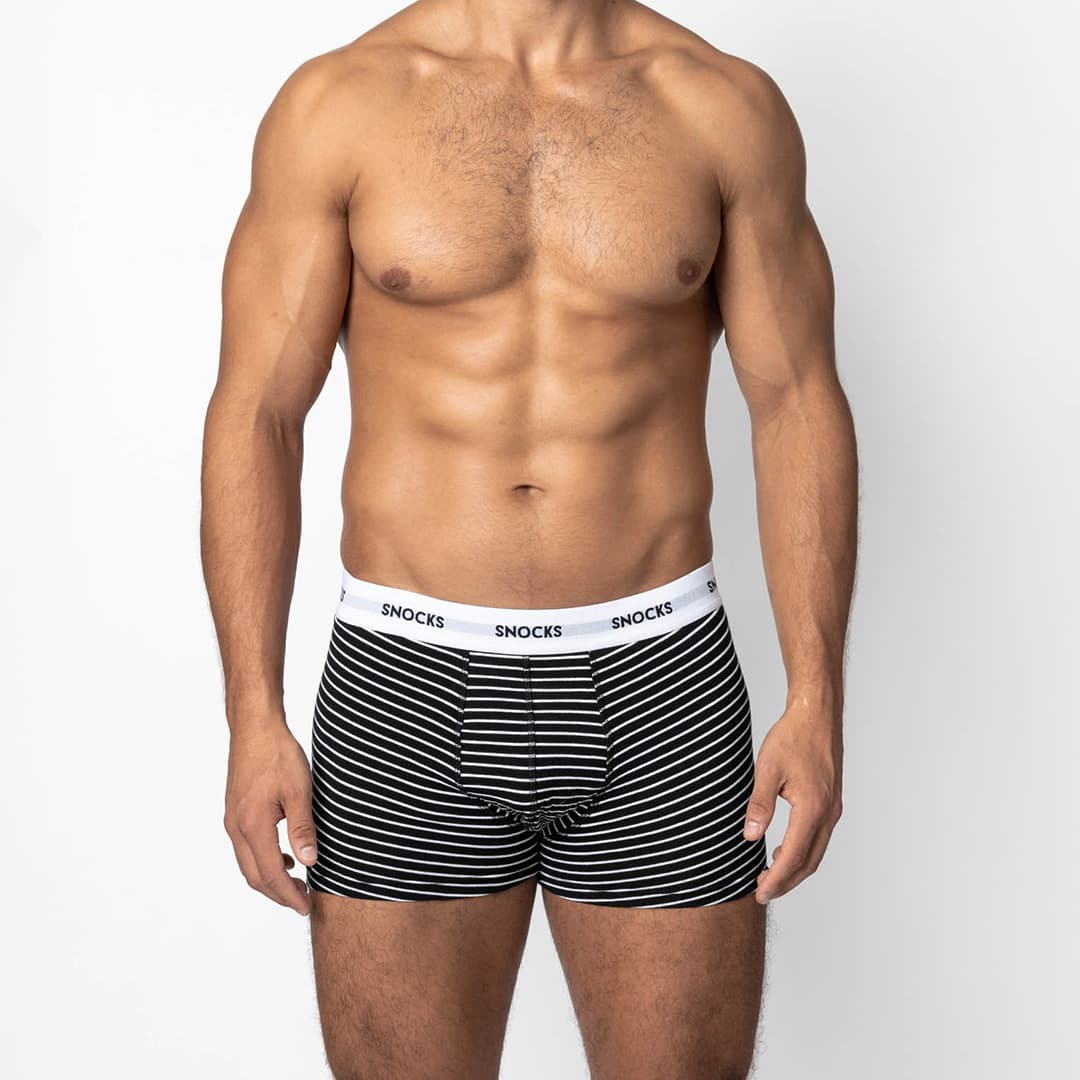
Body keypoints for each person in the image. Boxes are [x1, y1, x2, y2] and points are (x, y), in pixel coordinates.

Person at [200, 0, 858, 1075]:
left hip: (662, 684)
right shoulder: (340, 105)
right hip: (404, 685)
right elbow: (257, 414)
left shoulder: (719, 107)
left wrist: (818, 697)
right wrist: (252, 714)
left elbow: (796, 402)